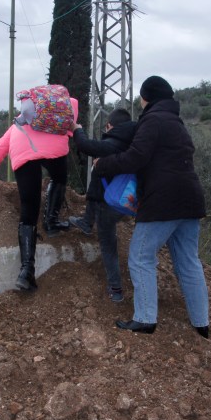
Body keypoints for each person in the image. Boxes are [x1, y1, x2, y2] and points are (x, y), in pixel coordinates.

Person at [92, 75, 209, 338]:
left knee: (140, 256)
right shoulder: (176, 122)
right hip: (190, 199)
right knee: (189, 262)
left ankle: (145, 319)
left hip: (163, 200)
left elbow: (136, 157)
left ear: (146, 98)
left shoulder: (152, 120)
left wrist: (103, 165)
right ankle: (201, 325)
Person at [0, 90, 79, 291]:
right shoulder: (63, 110)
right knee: (59, 177)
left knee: (29, 208)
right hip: (55, 149)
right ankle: (51, 221)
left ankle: (26, 272)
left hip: (22, 150)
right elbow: (71, 128)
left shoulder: (17, 124)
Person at [69, 108, 136, 302]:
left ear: (110, 126)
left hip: (109, 202)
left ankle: (115, 289)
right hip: (125, 200)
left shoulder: (113, 143)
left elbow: (86, 146)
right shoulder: (133, 142)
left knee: (108, 245)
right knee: (97, 195)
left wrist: (76, 129)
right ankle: (87, 222)